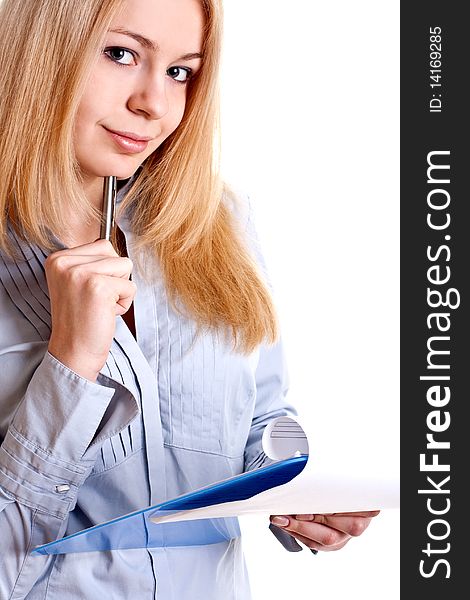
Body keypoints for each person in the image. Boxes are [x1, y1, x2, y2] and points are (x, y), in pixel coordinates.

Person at [0, 0, 379, 598]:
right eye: (121, 54)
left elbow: (262, 419)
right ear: (39, 49)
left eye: (181, 71)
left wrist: (298, 490)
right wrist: (70, 365)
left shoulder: (215, 225)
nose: (154, 104)